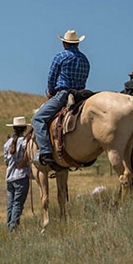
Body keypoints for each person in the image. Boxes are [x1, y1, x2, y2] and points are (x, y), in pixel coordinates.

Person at [33, 29, 90, 171]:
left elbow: (52, 78)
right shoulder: (85, 59)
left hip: (63, 94)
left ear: (64, 43)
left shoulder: (60, 57)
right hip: (81, 95)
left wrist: (50, 92)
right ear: (77, 44)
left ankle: (45, 151)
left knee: (38, 119)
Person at [4, 116, 31, 232]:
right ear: (24, 128)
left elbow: (6, 162)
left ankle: (10, 226)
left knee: (10, 204)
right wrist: (23, 163)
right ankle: (13, 229)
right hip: (21, 175)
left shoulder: (7, 143)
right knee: (18, 204)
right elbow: (28, 155)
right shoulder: (24, 142)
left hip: (9, 177)